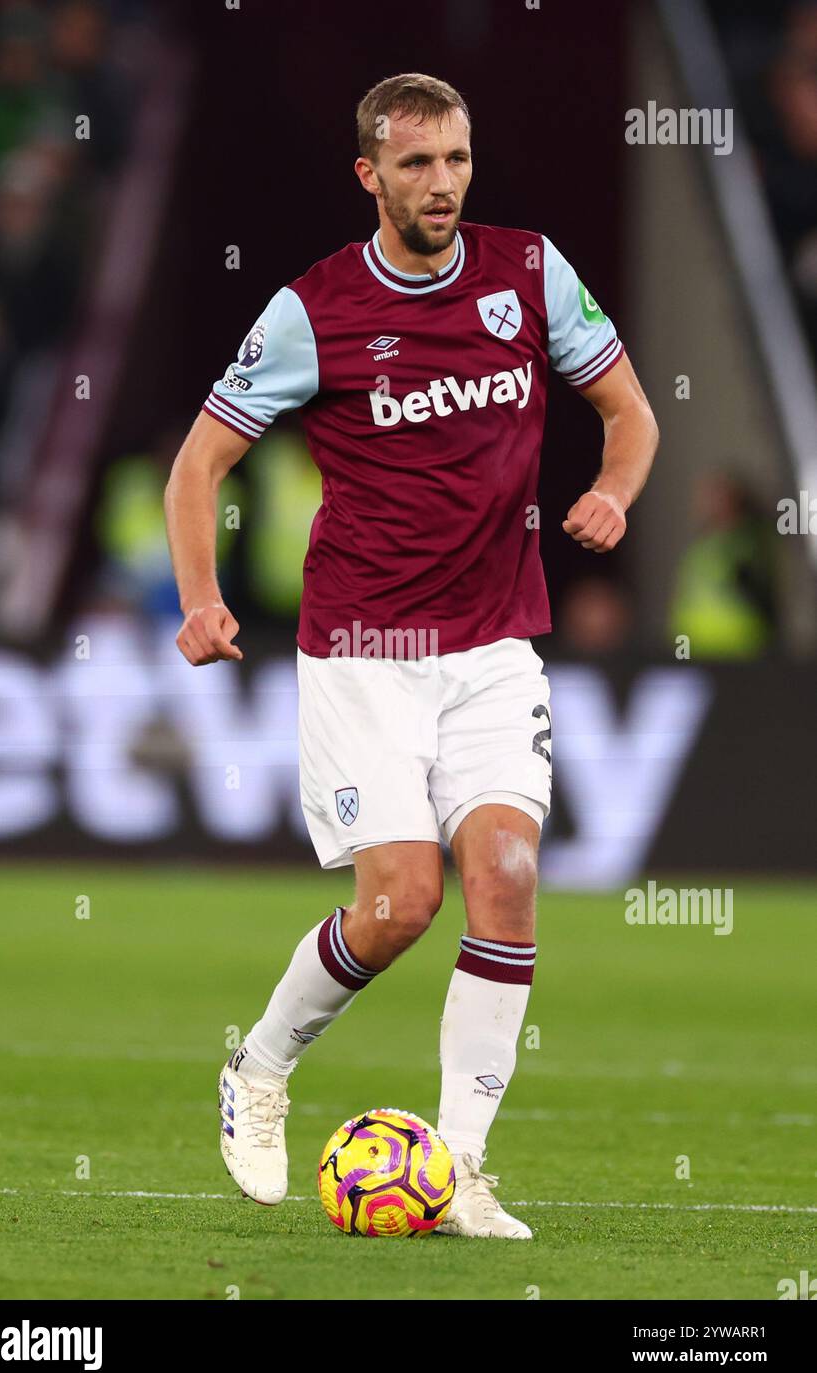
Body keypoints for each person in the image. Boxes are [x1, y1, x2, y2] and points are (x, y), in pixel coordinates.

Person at [164, 73, 658, 1238]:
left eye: (456, 160)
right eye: (417, 164)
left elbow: (628, 412)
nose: (441, 184)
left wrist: (611, 494)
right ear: (369, 175)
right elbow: (197, 466)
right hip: (363, 651)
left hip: (493, 642)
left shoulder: (529, 274)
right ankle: (261, 1066)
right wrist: (200, 598)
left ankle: (463, 1168)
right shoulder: (311, 312)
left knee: (510, 877)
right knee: (399, 904)